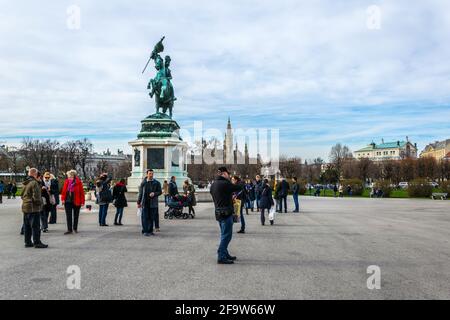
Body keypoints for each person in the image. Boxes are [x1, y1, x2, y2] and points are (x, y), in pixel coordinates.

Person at [210, 167, 242, 264]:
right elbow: (239, 187)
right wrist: (240, 180)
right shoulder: (225, 183)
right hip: (226, 213)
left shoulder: (213, 184)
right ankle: (221, 255)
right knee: (227, 235)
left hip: (218, 212)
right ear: (224, 173)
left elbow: (219, 196)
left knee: (223, 234)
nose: (229, 175)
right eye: (228, 174)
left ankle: (225, 253)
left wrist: (228, 198)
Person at [21, 168, 48, 248]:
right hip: (33, 208)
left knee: (27, 226)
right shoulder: (34, 183)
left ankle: (28, 242)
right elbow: (36, 197)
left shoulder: (25, 183)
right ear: (35, 174)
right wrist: (40, 204)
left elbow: (22, 195)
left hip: (25, 207)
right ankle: (37, 242)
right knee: (35, 226)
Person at [137, 169, 162, 236]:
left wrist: (154, 193)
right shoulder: (143, 183)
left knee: (151, 217)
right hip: (145, 202)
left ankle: (150, 230)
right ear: (147, 174)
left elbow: (160, 192)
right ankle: (145, 231)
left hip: (153, 203)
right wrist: (138, 202)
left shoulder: (156, 183)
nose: (151, 175)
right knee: (145, 217)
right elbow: (140, 193)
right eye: (150, 173)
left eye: (152, 173)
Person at [61, 170, 85, 234]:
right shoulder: (66, 182)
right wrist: (63, 199)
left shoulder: (78, 182)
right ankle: (69, 229)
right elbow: (63, 192)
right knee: (68, 216)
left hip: (77, 201)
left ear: (74, 176)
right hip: (68, 201)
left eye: (70, 176)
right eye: (68, 177)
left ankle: (75, 228)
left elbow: (82, 193)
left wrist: (82, 201)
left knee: (76, 216)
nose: (69, 178)